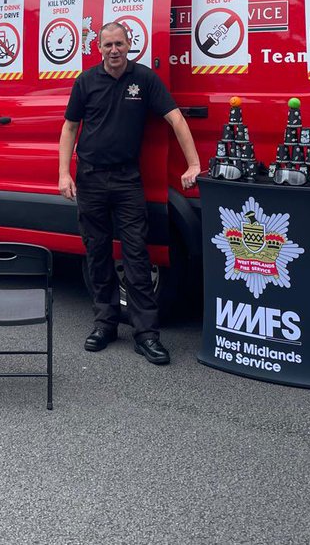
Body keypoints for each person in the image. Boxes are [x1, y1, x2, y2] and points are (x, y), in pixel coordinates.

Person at [58, 22, 200, 365]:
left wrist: (193, 163)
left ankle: (146, 335)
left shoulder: (144, 79)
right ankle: (104, 325)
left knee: (136, 256)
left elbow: (176, 119)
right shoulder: (86, 82)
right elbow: (70, 127)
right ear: (99, 48)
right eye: (107, 45)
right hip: (90, 179)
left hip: (126, 181)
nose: (114, 50)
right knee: (97, 253)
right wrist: (64, 173)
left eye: (119, 43)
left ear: (129, 44)